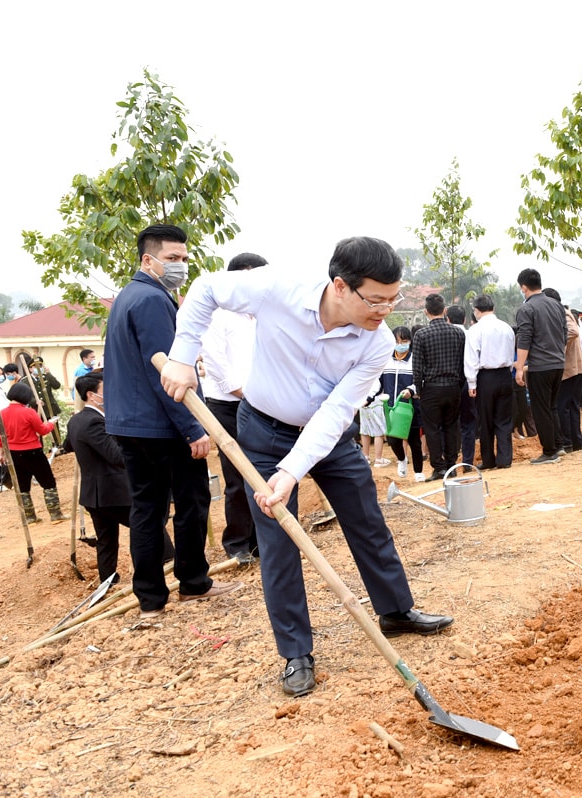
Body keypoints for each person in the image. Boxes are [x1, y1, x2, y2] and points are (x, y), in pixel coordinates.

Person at [161, 235, 453, 697]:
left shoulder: (375, 342)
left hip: (330, 437)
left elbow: (337, 412)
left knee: (367, 521)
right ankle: (296, 652)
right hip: (263, 430)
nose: (385, 311)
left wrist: (293, 469)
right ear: (340, 286)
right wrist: (181, 356)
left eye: (392, 299)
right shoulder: (279, 287)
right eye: (375, 299)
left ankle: (396, 611)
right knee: (277, 541)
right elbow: (206, 289)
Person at [105, 224, 239, 619]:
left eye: (183, 259)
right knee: (192, 500)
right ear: (148, 260)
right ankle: (194, 582)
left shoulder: (126, 298)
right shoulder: (151, 300)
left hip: (129, 424)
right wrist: (192, 427)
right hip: (161, 424)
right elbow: (167, 372)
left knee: (146, 509)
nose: (181, 266)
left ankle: (150, 599)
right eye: (172, 259)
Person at [64, 372, 175, 583]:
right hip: (114, 492)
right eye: (105, 390)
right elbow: (116, 456)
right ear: (91, 395)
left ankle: (108, 580)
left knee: (106, 540)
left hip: (94, 495)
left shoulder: (76, 420)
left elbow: (68, 446)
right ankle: (168, 563)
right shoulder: (94, 422)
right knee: (148, 523)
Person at [201, 251, 267, 562]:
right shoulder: (220, 315)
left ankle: (261, 540)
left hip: (261, 402)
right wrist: (242, 392)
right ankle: (238, 544)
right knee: (237, 475)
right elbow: (215, 361)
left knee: (264, 472)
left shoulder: (261, 315)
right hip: (228, 404)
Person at [513, 268, 567, 464]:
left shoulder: (526, 309)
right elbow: (564, 334)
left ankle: (549, 451)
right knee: (551, 406)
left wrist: (519, 367)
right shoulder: (556, 304)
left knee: (540, 409)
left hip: (540, 366)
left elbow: (524, 339)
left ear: (524, 287)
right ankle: (558, 445)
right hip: (558, 363)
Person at [410, 294, 466, 480]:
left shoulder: (421, 335)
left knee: (432, 428)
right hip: (453, 386)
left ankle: (439, 467)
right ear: (445, 311)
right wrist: (459, 383)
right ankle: (452, 465)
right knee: (452, 426)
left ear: (426, 312)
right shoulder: (458, 333)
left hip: (431, 388)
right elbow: (462, 363)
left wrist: (418, 390)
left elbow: (417, 367)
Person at [0, 380, 64, 523]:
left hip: (14, 454)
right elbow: (43, 430)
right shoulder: (29, 412)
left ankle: (30, 517)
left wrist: (1, 454)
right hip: (33, 452)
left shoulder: (1, 414)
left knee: (22, 486)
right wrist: (51, 423)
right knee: (48, 482)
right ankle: (55, 514)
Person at [463, 295, 516, 470]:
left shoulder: (476, 330)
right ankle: (504, 458)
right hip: (505, 375)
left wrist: (471, 383)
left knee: (485, 420)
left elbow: (471, 358)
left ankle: (488, 460)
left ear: (477, 310)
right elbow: (510, 353)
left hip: (485, 377)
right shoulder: (506, 327)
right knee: (504, 419)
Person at [381, 327, 425, 481]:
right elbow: (377, 382)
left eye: (404, 341)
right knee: (393, 439)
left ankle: (418, 471)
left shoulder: (415, 360)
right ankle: (401, 460)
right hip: (391, 408)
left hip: (410, 407)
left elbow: (420, 381)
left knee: (414, 440)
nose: (400, 344)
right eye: (397, 341)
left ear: (410, 342)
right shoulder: (385, 359)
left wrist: (411, 391)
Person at [551, 296, 582, 453]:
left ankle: (567, 442)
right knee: (571, 406)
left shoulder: (562, 312)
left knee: (562, 406)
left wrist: (555, 343)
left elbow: (573, 331)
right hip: (574, 369)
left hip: (571, 369)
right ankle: (576, 442)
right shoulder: (562, 312)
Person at [446, 304, 477, 466]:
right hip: (469, 382)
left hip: (449, 383)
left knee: (449, 423)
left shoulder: (445, 335)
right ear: (464, 319)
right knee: (468, 423)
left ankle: (450, 461)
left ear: (448, 319)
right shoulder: (470, 334)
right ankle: (467, 461)